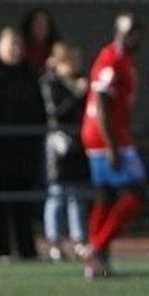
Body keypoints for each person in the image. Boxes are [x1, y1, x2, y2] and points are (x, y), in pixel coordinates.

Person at [81, 13, 148, 279]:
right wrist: (112, 146)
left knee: (106, 195)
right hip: (108, 137)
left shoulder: (122, 59)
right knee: (137, 192)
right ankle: (96, 247)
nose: (138, 39)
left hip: (108, 135)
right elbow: (101, 100)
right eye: (134, 33)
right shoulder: (112, 59)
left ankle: (98, 259)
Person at [0, 26, 47, 261]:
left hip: (25, 152)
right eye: (10, 44)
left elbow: (39, 109)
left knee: (23, 204)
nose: (15, 50)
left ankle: (27, 250)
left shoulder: (29, 75)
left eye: (18, 45)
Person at [40, 42, 90, 262]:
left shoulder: (79, 82)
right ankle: (54, 241)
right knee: (57, 194)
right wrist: (76, 94)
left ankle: (79, 240)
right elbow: (56, 112)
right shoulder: (50, 83)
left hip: (79, 143)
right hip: (59, 143)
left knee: (77, 195)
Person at [19, 8, 61, 76]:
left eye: (45, 25)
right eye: (38, 24)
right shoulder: (21, 48)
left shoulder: (56, 49)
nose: (41, 28)